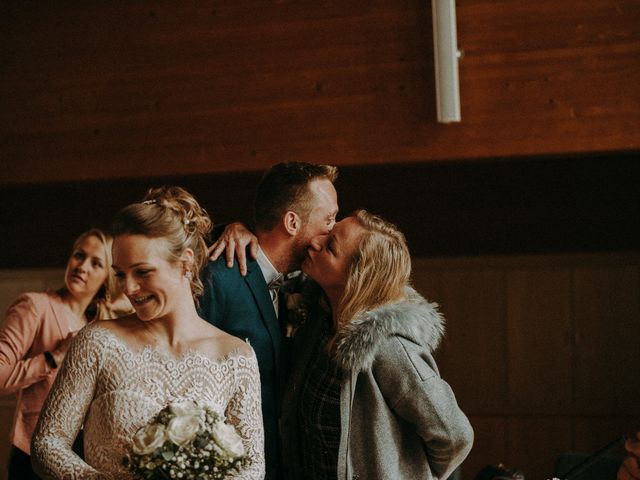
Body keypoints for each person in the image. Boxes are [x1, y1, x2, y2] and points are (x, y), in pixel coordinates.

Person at [31, 186, 264, 479]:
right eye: (120, 274)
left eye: (142, 272)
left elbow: (252, 467)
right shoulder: (98, 342)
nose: (128, 288)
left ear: (186, 263)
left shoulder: (236, 357)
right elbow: (48, 443)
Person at [281, 210, 474, 480]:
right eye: (328, 233)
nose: (315, 242)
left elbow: (455, 436)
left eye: (330, 246)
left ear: (356, 277)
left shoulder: (391, 349)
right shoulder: (319, 323)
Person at [200, 162, 339, 480]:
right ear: (292, 222)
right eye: (328, 219)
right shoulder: (217, 280)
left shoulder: (312, 284)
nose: (334, 230)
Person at [0, 228, 120, 480]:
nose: (82, 266)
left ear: (106, 277)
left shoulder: (99, 325)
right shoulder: (35, 306)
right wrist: (54, 356)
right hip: (33, 455)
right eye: (79, 255)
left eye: (96, 263)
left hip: (81, 459)